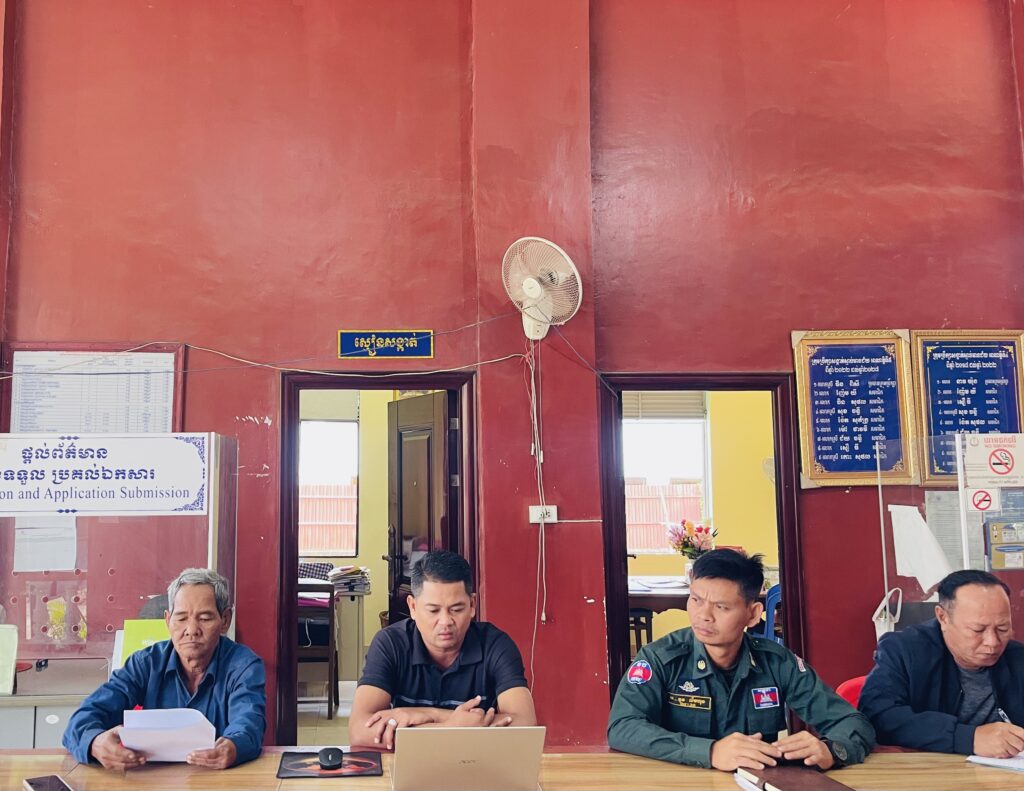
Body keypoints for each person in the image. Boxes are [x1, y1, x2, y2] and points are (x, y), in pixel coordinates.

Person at [608, 549, 874, 771]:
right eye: (696, 600)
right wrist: (709, 751)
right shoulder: (660, 658)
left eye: (721, 607)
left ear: (753, 614)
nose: (703, 615)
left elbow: (853, 723)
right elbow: (622, 727)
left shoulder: (777, 662)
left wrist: (831, 750)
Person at [63, 568, 266, 770]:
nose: (191, 630)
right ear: (168, 620)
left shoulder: (243, 666)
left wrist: (232, 747)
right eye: (181, 618)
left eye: (204, 618)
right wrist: (95, 743)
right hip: (152, 777)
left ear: (225, 620)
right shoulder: (146, 664)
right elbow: (84, 718)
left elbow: (248, 724)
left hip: (219, 779)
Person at [349, 550, 536, 749]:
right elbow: (358, 731)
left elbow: (526, 726)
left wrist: (425, 715)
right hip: (410, 764)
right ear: (413, 607)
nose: (445, 621)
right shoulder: (390, 643)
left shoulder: (495, 645)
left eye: (456, 609)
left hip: (476, 762)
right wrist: (449, 726)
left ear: (472, 605)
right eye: (433, 610)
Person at [859, 569, 1024, 757]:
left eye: (1002, 628)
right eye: (978, 630)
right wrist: (967, 738)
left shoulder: (1017, 658)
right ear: (943, 617)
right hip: (928, 769)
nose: (992, 642)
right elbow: (878, 716)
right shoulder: (904, 651)